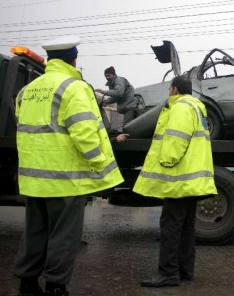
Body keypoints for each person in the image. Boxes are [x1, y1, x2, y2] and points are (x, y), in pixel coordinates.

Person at [13, 36, 124, 296]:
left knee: (34, 232)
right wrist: (99, 162)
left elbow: (25, 124)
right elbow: (84, 132)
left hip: (33, 178)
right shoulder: (74, 88)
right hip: (65, 180)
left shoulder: (28, 90)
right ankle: (55, 287)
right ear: (73, 60)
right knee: (64, 236)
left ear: (50, 60)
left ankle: (27, 285)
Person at [133, 75, 217, 288]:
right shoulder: (197, 107)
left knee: (170, 225)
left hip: (178, 179)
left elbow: (176, 139)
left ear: (174, 90)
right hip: (190, 180)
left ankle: (168, 273)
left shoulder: (180, 107)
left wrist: (165, 160)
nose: (168, 91)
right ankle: (185, 271)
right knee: (187, 227)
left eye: (169, 88)